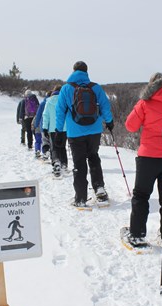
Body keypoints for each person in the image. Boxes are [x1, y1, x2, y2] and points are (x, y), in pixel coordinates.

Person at [123, 72, 162, 249]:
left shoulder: (145, 103)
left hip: (148, 157)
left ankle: (137, 235)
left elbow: (130, 126)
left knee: (141, 196)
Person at [55, 61, 114, 205]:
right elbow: (105, 106)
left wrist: (58, 130)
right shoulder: (95, 87)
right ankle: (99, 189)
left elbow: (60, 111)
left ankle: (80, 197)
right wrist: (109, 122)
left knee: (79, 163)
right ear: (86, 72)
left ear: (73, 71)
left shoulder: (66, 88)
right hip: (94, 130)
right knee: (93, 157)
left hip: (75, 132)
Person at [42, 85, 68, 177]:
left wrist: (44, 127)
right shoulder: (64, 101)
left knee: (54, 147)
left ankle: (56, 162)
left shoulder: (48, 101)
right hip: (64, 128)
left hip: (52, 129)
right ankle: (64, 164)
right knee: (62, 146)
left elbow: (45, 115)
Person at [32, 91, 51, 159]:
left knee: (43, 140)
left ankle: (43, 152)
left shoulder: (43, 103)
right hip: (53, 126)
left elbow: (38, 115)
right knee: (51, 140)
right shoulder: (56, 101)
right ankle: (51, 153)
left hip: (43, 125)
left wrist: (36, 125)